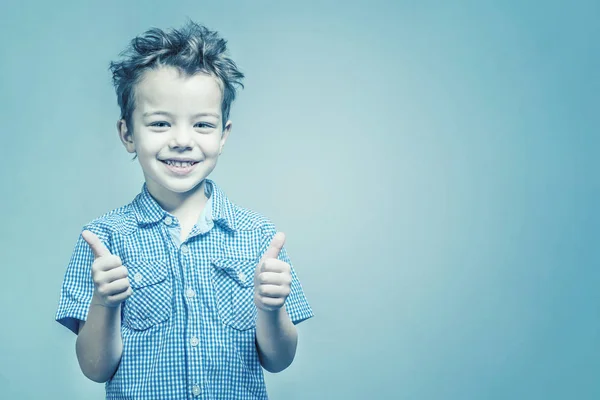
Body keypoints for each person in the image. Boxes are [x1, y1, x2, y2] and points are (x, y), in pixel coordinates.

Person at [55, 20, 313, 399]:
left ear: (223, 136)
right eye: (160, 123)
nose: (181, 141)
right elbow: (95, 369)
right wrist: (104, 303)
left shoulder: (259, 236)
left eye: (202, 125)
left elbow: (279, 360)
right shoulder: (104, 240)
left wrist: (271, 309)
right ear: (127, 134)